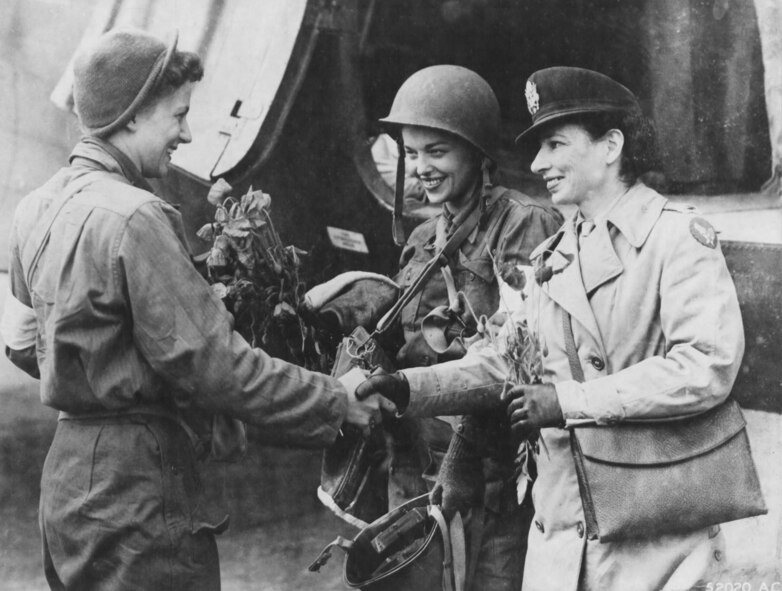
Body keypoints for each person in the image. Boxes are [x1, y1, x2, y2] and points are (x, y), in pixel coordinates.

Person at [0, 28, 391, 591]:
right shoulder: (137, 218)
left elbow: (19, 343)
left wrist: (98, 371)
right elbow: (219, 366)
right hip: (138, 488)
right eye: (177, 115)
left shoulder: (35, 208)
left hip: (65, 485)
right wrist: (335, 400)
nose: (186, 133)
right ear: (132, 116)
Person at [360, 66, 745, 590]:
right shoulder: (554, 254)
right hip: (563, 537)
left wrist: (568, 402)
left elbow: (707, 365)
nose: (538, 163)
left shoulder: (676, 239)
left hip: (653, 534)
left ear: (611, 145)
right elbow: (503, 354)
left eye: (555, 144)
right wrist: (411, 388)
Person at [370, 65, 561, 591]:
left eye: (437, 151)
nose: (422, 168)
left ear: (478, 153)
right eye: (411, 153)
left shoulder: (525, 224)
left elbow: (523, 355)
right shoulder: (423, 239)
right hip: (414, 474)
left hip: (489, 482)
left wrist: (463, 453)